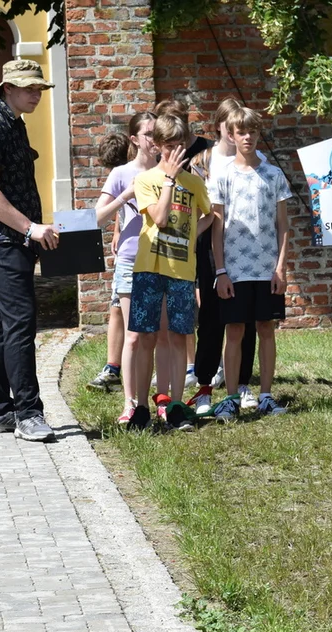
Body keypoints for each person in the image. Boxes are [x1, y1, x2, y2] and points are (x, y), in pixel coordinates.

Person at [0, 60, 59, 442]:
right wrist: (30, 227)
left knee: (3, 322)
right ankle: (28, 414)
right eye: (29, 88)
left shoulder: (11, 120)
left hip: (9, 237)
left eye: (39, 89)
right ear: (6, 87)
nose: (36, 94)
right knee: (21, 320)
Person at [126, 113, 211, 432]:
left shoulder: (194, 182)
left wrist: (192, 239)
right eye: (170, 146)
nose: (176, 152)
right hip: (149, 268)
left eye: (181, 146)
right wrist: (170, 181)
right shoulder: (146, 180)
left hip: (181, 270)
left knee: (178, 336)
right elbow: (160, 218)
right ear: (158, 146)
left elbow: (210, 215)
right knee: (147, 336)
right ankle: (143, 408)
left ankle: (175, 404)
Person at [209, 106, 292, 421]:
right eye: (241, 132)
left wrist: (280, 268)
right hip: (235, 269)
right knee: (234, 330)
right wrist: (220, 271)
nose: (247, 137)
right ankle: (231, 398)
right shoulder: (223, 175)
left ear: (259, 134)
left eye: (252, 132)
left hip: (266, 268)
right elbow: (217, 227)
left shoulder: (273, 175)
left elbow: (283, 226)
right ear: (231, 134)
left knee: (266, 328)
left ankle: (266, 396)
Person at [188, 97, 265, 417]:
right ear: (220, 126)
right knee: (210, 318)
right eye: (231, 126)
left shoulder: (255, 159)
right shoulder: (202, 161)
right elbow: (193, 206)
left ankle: (242, 382)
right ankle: (205, 382)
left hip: (246, 248)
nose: (237, 134)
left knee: (244, 318)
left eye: (243, 128)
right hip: (210, 243)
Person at [92, 115, 158, 423]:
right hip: (132, 261)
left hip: (163, 260)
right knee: (133, 336)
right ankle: (129, 404)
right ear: (134, 139)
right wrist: (125, 196)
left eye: (158, 133)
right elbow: (96, 218)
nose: (154, 139)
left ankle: (148, 402)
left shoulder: (167, 172)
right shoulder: (121, 173)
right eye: (148, 134)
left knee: (152, 337)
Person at [87, 131, 131, 391]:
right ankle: (112, 367)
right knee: (116, 307)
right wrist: (116, 231)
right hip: (126, 249)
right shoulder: (120, 174)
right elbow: (121, 209)